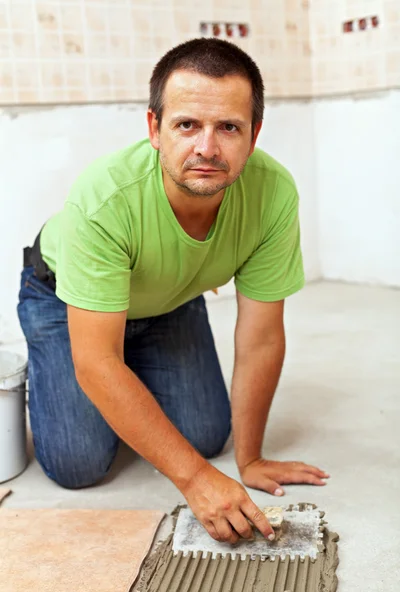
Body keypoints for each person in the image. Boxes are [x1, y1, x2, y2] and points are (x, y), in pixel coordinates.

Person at [18, 38, 329, 545]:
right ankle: (57, 361)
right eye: (187, 125)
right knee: (79, 464)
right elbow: (98, 361)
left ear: (253, 136)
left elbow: (261, 338)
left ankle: (133, 366)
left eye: (228, 127)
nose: (207, 148)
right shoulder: (105, 199)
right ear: (154, 129)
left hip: (169, 301)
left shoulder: (273, 193)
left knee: (208, 437)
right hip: (60, 297)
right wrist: (195, 479)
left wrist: (247, 460)